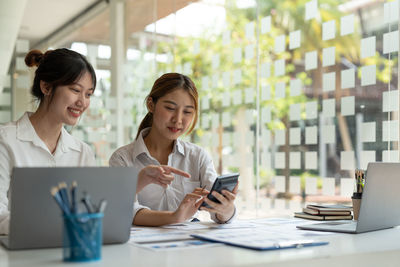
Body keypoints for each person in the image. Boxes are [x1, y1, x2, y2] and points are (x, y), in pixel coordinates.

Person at [0, 49, 186, 235]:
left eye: (88, 94)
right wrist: (56, 226)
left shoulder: (82, 152)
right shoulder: (5, 140)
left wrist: (137, 182)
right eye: (75, 90)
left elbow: (92, 211)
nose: (82, 102)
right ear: (46, 87)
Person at [109, 73, 238, 226]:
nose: (178, 119)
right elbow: (126, 210)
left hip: (188, 244)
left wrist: (226, 209)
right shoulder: (122, 159)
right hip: (142, 246)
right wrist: (175, 217)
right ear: (151, 105)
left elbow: (218, 212)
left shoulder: (198, 156)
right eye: (170, 108)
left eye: (187, 112)